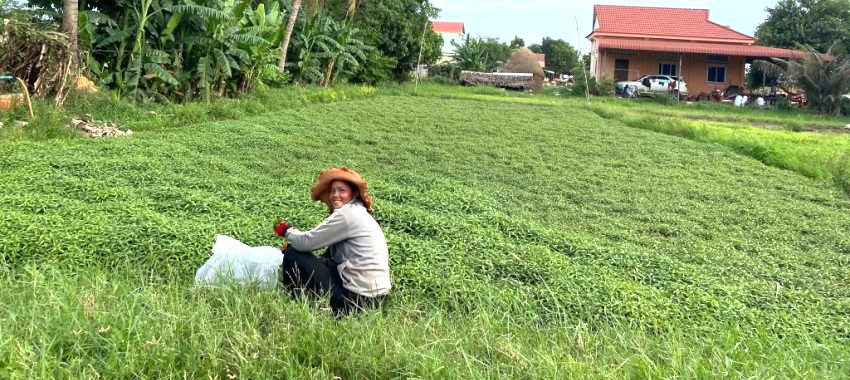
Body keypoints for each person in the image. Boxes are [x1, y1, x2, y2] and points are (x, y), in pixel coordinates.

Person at [274, 167, 391, 315]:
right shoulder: (357, 211)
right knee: (318, 258)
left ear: (353, 193)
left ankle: (291, 301)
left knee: (293, 254)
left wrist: (285, 230)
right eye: (332, 191)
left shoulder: (348, 215)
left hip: (356, 300)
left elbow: (305, 243)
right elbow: (329, 258)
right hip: (377, 299)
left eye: (342, 190)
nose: (335, 195)